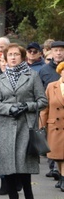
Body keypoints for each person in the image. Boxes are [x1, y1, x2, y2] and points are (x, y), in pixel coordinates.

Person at [0, 44, 47, 199]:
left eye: (16, 54)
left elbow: (43, 101)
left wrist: (26, 106)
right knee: (7, 164)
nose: (13, 57)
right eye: (10, 55)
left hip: (26, 124)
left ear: (22, 57)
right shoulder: (1, 78)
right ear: (6, 59)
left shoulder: (33, 75)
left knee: (23, 162)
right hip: (6, 125)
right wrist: (9, 109)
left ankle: (29, 195)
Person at [41, 62, 64, 191]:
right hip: (54, 125)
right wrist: (42, 125)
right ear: (60, 72)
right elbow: (45, 107)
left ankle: (63, 179)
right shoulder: (51, 86)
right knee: (58, 156)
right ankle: (61, 177)